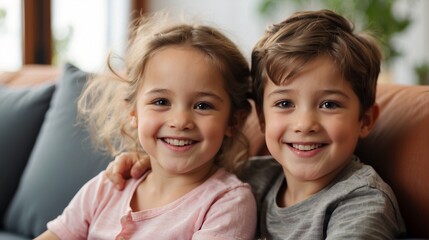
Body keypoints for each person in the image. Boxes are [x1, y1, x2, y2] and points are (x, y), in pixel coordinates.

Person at [106, 9, 407, 239]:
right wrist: (144, 161)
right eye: (284, 104)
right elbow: (188, 172)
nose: (304, 124)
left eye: (329, 104)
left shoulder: (362, 202)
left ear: (365, 120)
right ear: (262, 119)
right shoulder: (253, 176)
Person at [35, 12, 257, 240]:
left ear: (233, 120)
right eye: (161, 102)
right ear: (134, 113)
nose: (180, 121)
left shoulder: (228, 203)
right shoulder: (108, 186)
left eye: (203, 105)